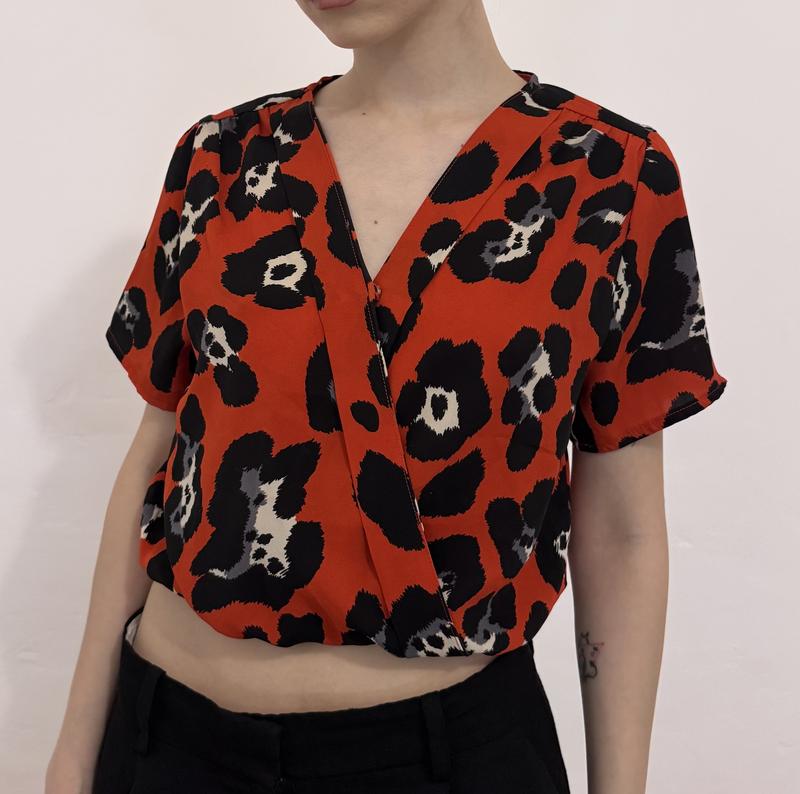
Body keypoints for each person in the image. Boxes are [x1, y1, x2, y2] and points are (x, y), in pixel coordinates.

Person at [46, 1, 729, 792]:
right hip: (167, 744)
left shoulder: (610, 175)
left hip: (447, 757)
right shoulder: (221, 157)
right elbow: (157, 458)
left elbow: (623, 529)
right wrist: (73, 754)